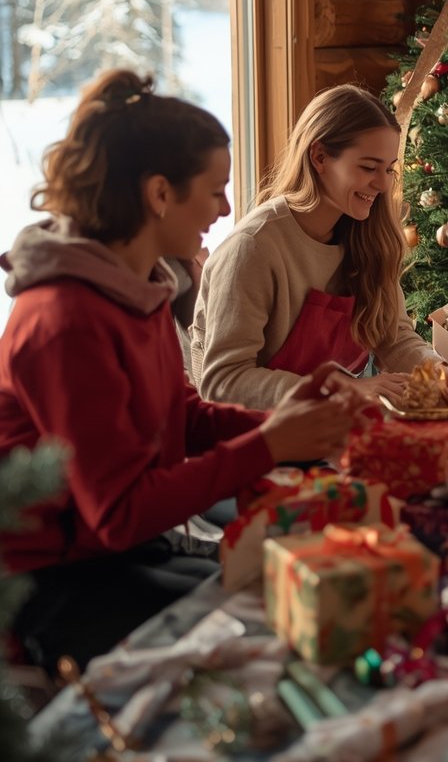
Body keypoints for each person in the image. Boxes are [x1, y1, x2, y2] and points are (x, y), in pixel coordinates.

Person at [0, 71, 355, 669]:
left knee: (296, 587)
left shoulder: (138, 287)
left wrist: (284, 422)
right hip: (51, 583)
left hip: (124, 550)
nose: (226, 207)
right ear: (159, 193)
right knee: (276, 631)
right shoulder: (64, 317)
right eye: (215, 189)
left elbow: (180, 414)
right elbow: (117, 515)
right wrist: (267, 445)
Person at [191, 84, 448, 410]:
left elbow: (393, 335)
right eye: (368, 167)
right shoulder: (252, 248)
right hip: (253, 443)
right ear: (319, 157)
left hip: (326, 433)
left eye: (388, 169)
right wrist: (346, 391)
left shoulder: (365, 235)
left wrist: (435, 372)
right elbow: (223, 382)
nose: (382, 185)